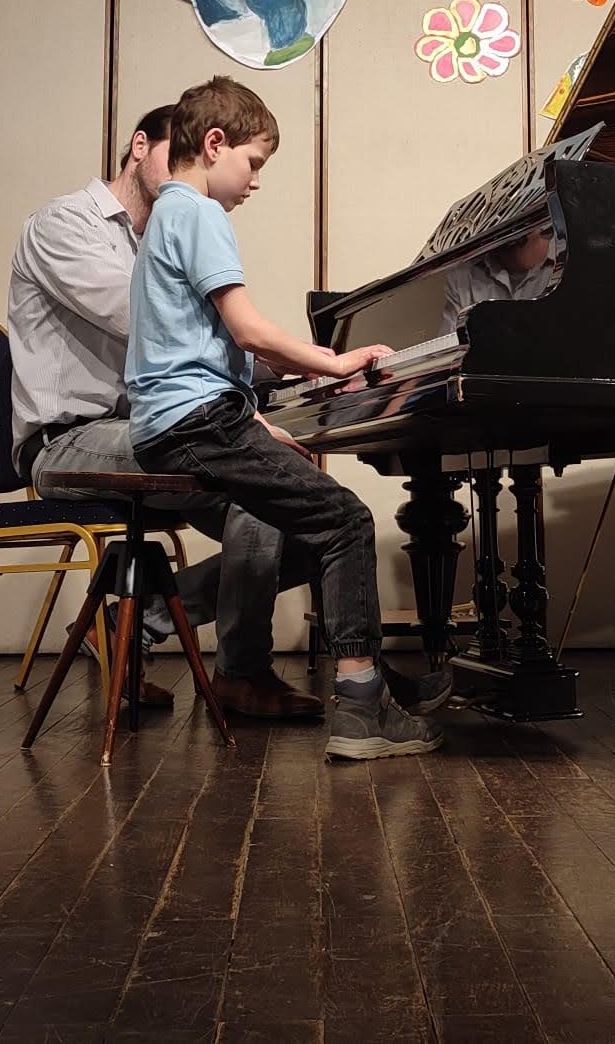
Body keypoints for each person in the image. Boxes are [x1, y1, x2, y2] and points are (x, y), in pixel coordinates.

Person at [126, 76, 450, 760]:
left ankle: (373, 681)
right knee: (347, 520)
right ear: (214, 144)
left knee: (308, 533)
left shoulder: (164, 217)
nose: (255, 182)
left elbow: (199, 349)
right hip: (198, 423)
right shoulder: (200, 214)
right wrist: (334, 362)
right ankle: (361, 709)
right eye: (253, 163)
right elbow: (246, 331)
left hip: (178, 424)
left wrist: (253, 417)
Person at [8, 103, 321, 718]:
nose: (188, 166)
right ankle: (243, 674)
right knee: (256, 477)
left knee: (302, 519)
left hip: (155, 430)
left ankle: (137, 620)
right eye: (176, 151)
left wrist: (293, 371)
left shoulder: (165, 234)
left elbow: (201, 348)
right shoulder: (63, 225)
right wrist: (277, 364)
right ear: (139, 147)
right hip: (68, 440)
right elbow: (157, 330)